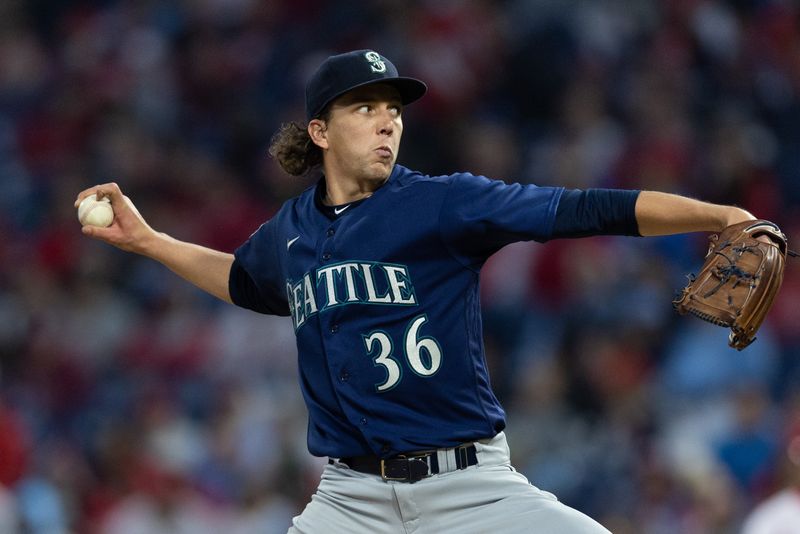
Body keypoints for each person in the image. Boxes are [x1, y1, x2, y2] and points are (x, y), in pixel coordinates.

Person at [76, 49, 762, 533]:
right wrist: (149, 241)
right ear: (319, 132)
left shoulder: (444, 204)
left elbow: (583, 208)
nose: (387, 121)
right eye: (364, 108)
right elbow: (242, 280)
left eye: (393, 109)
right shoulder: (288, 233)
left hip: (469, 488)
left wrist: (720, 215)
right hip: (350, 500)